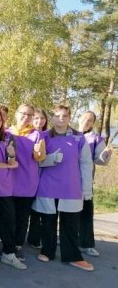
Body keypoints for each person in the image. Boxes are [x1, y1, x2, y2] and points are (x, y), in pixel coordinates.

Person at [33, 104, 94, 271]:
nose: (61, 119)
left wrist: (87, 189)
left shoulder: (79, 138)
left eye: (65, 116)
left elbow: (86, 164)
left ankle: (73, 256)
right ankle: (47, 251)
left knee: (70, 224)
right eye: (57, 116)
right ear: (52, 118)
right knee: (47, 222)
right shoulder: (44, 136)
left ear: (69, 118)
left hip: (71, 188)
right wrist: (51, 158)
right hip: (48, 187)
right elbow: (36, 161)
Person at [0, 107, 26, 269]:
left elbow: (12, 162)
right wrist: (6, 165)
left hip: (4, 185)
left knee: (8, 219)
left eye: (0, 120)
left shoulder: (8, 137)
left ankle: (9, 253)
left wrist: (12, 156)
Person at [7, 104, 46, 260]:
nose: (26, 117)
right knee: (9, 217)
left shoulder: (36, 135)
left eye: (30, 115)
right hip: (8, 182)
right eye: (23, 114)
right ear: (16, 114)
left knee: (22, 217)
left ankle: (17, 246)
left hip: (27, 182)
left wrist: (38, 152)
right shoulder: (7, 132)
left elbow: (40, 157)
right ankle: (7, 245)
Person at [77, 111, 113, 256]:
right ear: (79, 118)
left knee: (86, 212)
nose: (87, 121)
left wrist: (105, 155)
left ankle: (86, 244)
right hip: (65, 180)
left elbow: (100, 160)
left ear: (93, 124)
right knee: (66, 213)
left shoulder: (95, 139)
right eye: (85, 118)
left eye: (90, 120)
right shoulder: (68, 133)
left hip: (84, 182)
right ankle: (69, 238)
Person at [27, 107, 49, 248]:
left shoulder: (48, 135)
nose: (39, 121)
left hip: (46, 176)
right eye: (36, 118)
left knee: (39, 209)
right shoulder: (28, 134)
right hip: (29, 176)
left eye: (42, 118)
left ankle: (35, 237)